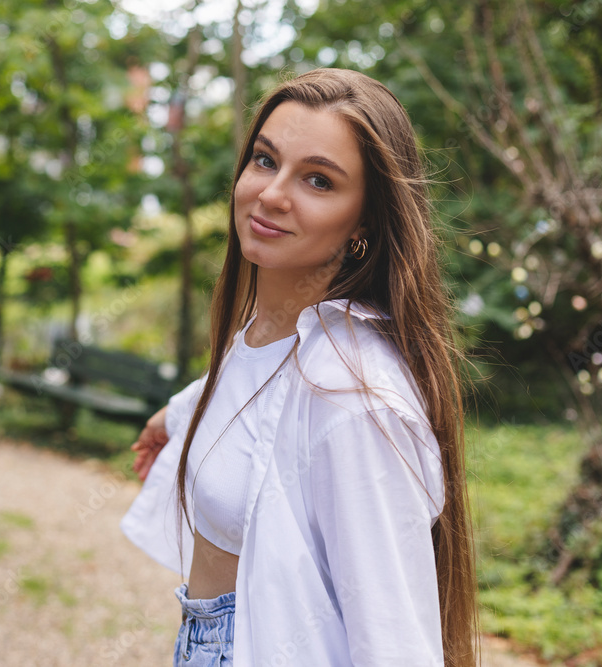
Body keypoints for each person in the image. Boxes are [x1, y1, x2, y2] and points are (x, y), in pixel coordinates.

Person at [120, 67, 477, 667]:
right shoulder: (274, 331)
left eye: (317, 179)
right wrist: (174, 416)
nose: (272, 194)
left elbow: (394, 641)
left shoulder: (352, 396)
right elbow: (259, 388)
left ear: (365, 220)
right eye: (264, 160)